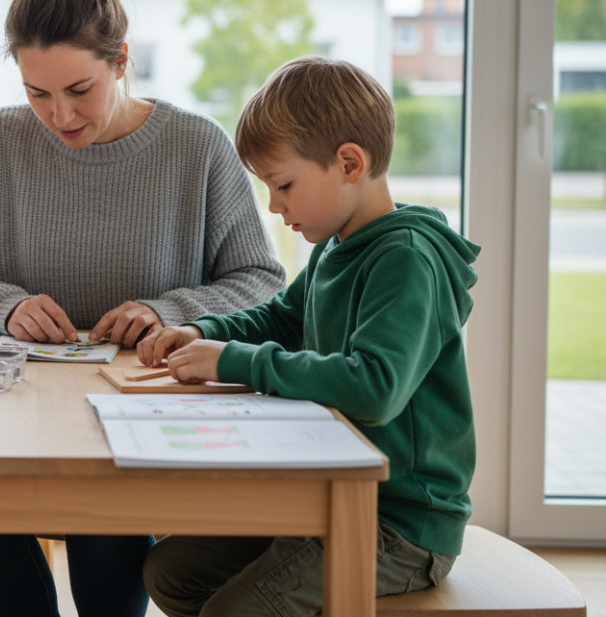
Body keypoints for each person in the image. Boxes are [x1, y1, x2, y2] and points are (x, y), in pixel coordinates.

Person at [0, 0, 285, 617]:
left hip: (141, 407)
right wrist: (6, 305)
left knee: (106, 525)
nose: (58, 116)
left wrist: (169, 311)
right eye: (37, 93)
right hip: (17, 408)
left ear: (121, 62)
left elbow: (260, 281)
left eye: (79, 89)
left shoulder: (197, 146)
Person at [137, 56, 480, 617]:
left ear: (349, 163)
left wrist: (234, 361)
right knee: (170, 572)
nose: (274, 206)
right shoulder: (337, 247)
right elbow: (281, 318)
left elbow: (374, 387)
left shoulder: (407, 260)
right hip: (326, 492)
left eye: (284, 185)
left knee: (234, 611)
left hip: (398, 524)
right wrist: (202, 330)